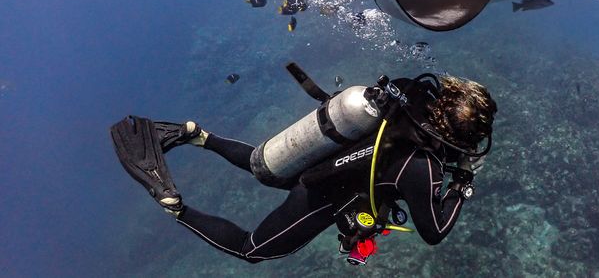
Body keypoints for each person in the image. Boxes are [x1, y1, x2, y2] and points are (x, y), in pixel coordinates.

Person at [111, 73, 496, 264]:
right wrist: (463, 180)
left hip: (323, 164)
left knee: (261, 165)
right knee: (252, 250)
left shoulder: (405, 108)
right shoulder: (422, 166)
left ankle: (198, 136)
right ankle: (177, 208)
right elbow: (434, 231)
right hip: (320, 197)